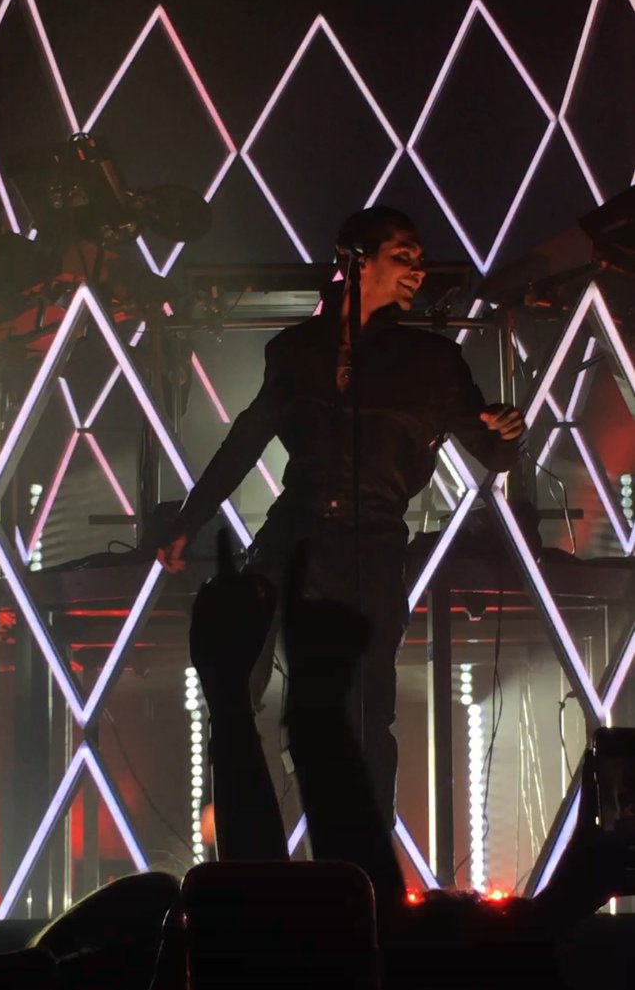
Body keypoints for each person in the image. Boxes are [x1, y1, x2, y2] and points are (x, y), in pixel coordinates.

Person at [158, 205, 526, 827]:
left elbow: (492, 450)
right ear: (355, 259)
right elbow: (244, 443)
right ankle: (233, 818)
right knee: (236, 663)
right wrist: (189, 519)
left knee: (364, 709)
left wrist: (507, 431)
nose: (418, 270)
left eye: (419, 259)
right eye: (403, 255)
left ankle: (362, 850)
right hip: (294, 534)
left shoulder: (432, 362)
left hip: (371, 546)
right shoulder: (295, 352)